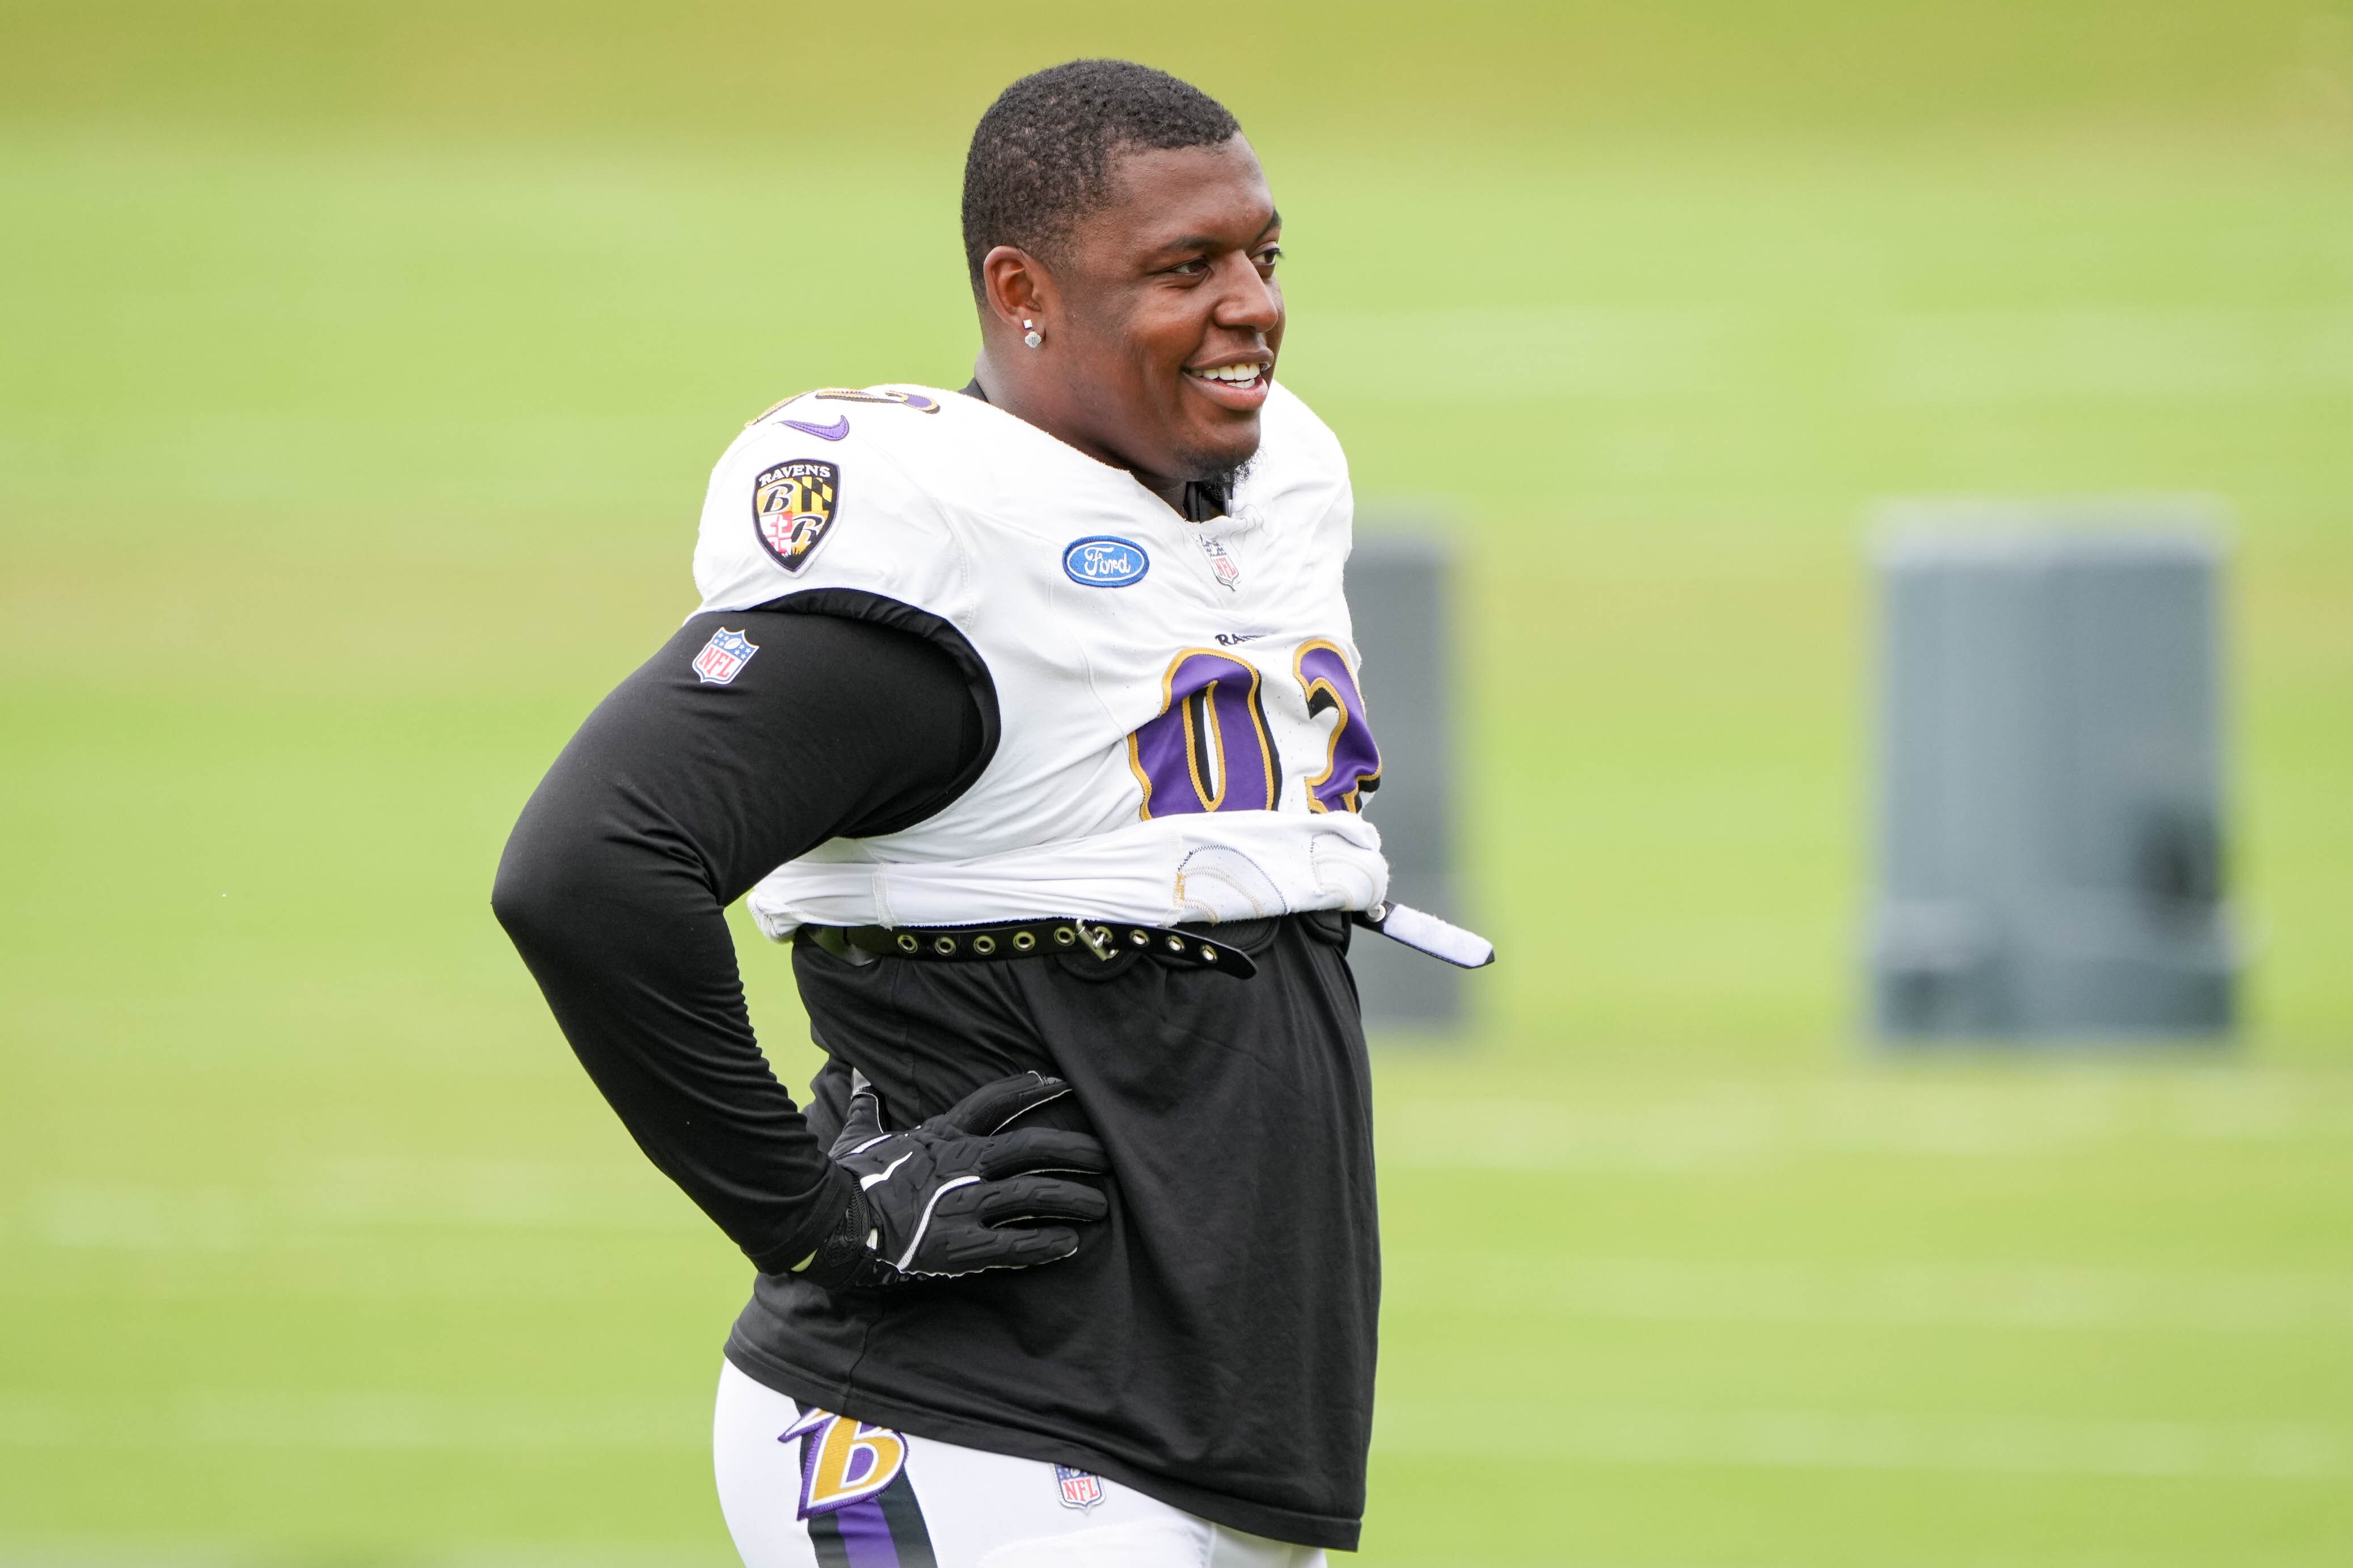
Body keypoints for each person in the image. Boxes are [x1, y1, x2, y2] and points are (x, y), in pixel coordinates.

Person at [494, 57, 1482, 1568]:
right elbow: (588, 871)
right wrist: (814, 1213)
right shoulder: (938, 557)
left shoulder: (1265, 495)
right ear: (1023, 292)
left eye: (1260, 257)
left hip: (1186, 1431)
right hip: (968, 1426)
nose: (1251, 305)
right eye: (1182, 268)